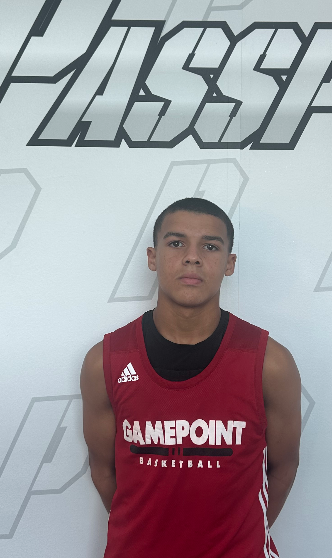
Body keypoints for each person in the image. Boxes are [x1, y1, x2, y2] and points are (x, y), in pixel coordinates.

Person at [81, 197, 301, 558]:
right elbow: (103, 470)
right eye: (176, 243)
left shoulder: (270, 363)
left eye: (210, 246)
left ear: (229, 264)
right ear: (152, 257)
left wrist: (236, 537)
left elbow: (284, 467)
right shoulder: (104, 361)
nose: (192, 257)